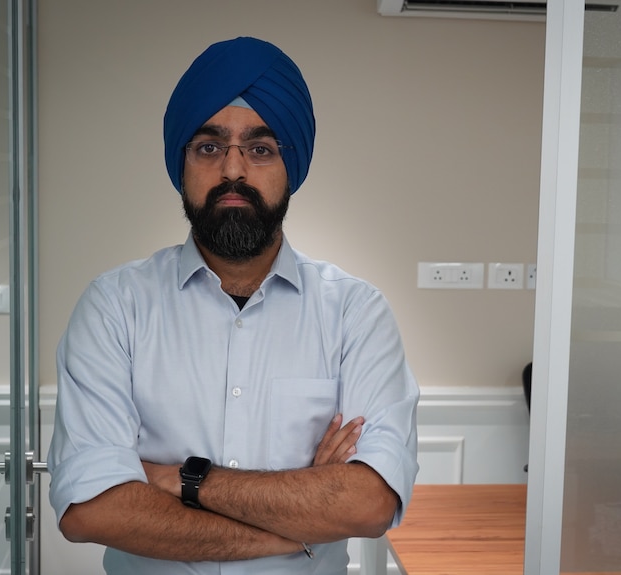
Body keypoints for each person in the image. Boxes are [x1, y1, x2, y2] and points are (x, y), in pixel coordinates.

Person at [47, 36, 419, 575]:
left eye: (261, 148)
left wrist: (180, 479)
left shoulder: (355, 314)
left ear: (292, 167)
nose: (233, 171)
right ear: (183, 162)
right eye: (209, 146)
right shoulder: (114, 307)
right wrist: (295, 528)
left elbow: (368, 503)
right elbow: (93, 510)